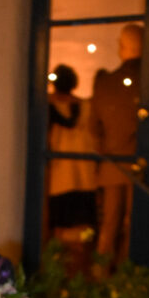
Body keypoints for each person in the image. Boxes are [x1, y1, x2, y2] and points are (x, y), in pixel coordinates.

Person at [89, 22, 144, 266]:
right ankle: (130, 275)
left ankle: (102, 270)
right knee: (137, 223)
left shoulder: (105, 83)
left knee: (110, 222)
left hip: (113, 162)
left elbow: (94, 127)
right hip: (141, 164)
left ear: (122, 47)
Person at [47, 64, 97, 252]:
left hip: (60, 171)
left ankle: (56, 252)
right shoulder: (85, 106)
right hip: (83, 170)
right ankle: (83, 250)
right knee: (83, 219)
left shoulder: (49, 107)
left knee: (60, 217)